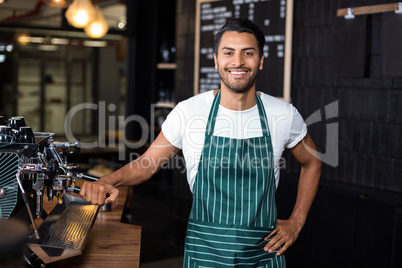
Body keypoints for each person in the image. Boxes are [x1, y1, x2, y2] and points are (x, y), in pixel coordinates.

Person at [80, 18, 321, 267]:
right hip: (205, 253)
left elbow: (313, 163)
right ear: (216, 60)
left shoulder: (282, 114)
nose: (237, 61)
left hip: (262, 253)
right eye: (229, 53)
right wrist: (107, 180)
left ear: (260, 60)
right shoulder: (189, 112)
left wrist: (297, 221)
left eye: (247, 53)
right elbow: (147, 163)